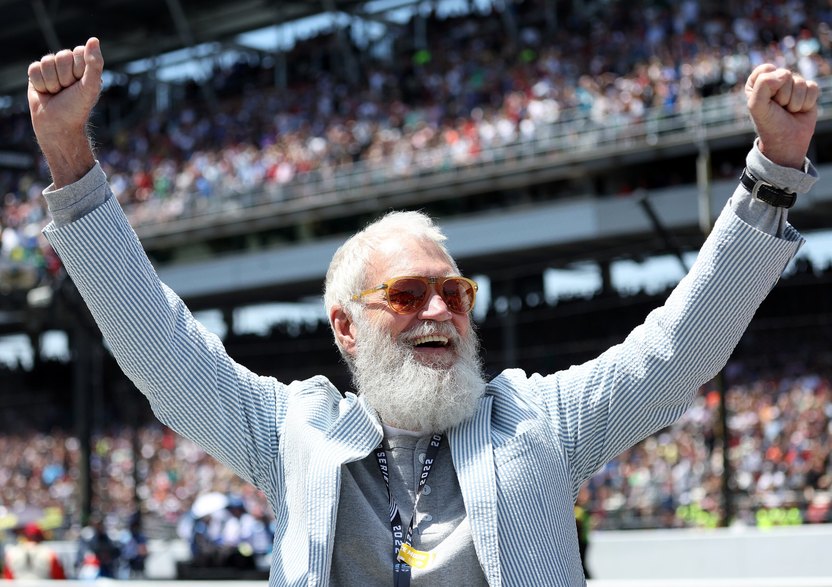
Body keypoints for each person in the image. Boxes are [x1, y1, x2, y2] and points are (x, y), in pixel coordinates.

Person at [27, 37, 818, 586]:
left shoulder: (540, 420)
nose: (439, 308)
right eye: (406, 295)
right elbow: (159, 348)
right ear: (346, 326)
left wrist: (774, 171)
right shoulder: (290, 431)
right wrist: (70, 156)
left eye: (455, 292)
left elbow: (676, 351)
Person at [2, 523, 67, 580]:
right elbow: (59, 578)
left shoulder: (12, 552)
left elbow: (8, 578)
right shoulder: (50, 553)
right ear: (41, 536)